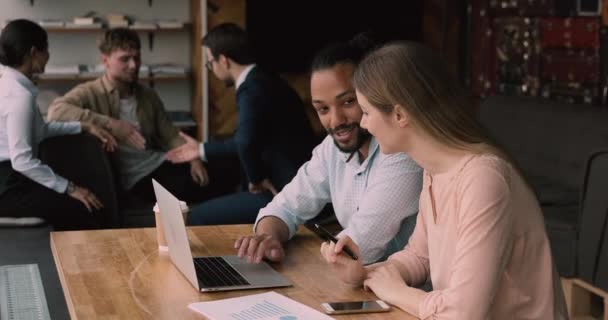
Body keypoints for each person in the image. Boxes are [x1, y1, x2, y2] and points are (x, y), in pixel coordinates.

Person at [320, 41, 568, 319]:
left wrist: (396, 292)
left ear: (400, 115)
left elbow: (463, 314)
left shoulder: (483, 178)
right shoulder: (434, 169)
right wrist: (366, 273)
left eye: (366, 112)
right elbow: (420, 257)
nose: (363, 124)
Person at [233, 35, 423, 265]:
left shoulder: (402, 152)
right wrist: (267, 237)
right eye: (322, 109)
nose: (335, 121)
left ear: (369, 95)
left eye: (347, 102)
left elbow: (358, 247)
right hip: (358, 285)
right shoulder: (331, 149)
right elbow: (285, 207)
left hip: (406, 294)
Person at [166, 23, 317, 224]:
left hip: (284, 190)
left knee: (196, 218)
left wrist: (256, 179)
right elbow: (248, 137)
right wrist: (202, 149)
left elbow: (245, 141)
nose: (211, 69)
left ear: (224, 60)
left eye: (210, 63)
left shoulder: (252, 88)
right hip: (292, 181)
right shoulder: (265, 79)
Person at [47, 28, 211, 203]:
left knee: (222, 166)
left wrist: (193, 159)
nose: (134, 65)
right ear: (105, 61)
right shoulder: (90, 92)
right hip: (134, 179)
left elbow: (170, 135)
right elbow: (56, 112)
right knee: (202, 185)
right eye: (125, 59)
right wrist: (112, 125)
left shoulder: (148, 95)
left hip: (158, 163)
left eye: (137, 58)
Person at [0, 19, 117, 230]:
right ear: (34, 52)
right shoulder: (19, 96)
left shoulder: (10, 85)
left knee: (88, 200)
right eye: (47, 49)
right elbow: (22, 161)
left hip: (12, 180)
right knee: (86, 207)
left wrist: (84, 126)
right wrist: (71, 188)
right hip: (8, 188)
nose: (49, 56)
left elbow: (40, 130)